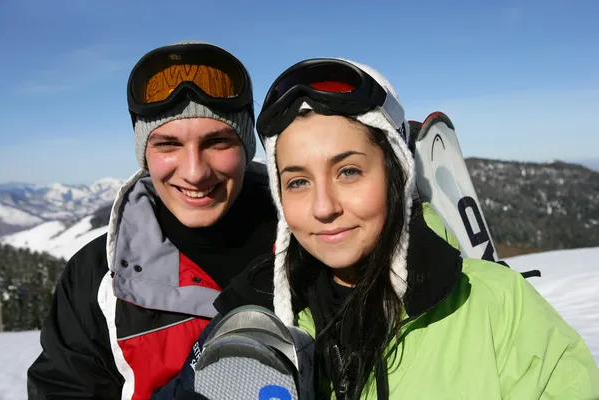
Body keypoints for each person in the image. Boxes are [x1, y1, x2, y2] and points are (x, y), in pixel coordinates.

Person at [252, 58, 599, 399]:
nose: (324, 207)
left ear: (397, 173)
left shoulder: (500, 307)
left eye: (349, 171)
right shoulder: (256, 326)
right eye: (298, 182)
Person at [27, 41, 278, 399]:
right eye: (167, 144)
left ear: (246, 147)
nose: (194, 172)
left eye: (218, 142)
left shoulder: (313, 244)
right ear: (144, 153)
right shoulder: (100, 274)